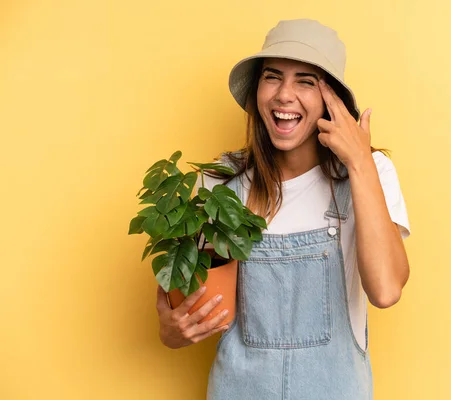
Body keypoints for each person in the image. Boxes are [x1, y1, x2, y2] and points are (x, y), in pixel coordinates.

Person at [155, 18, 411, 399]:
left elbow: (387, 290)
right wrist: (172, 330)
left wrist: (359, 162)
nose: (284, 95)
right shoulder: (219, 184)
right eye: (272, 77)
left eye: (306, 81)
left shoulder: (369, 174)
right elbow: (176, 306)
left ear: (332, 100)